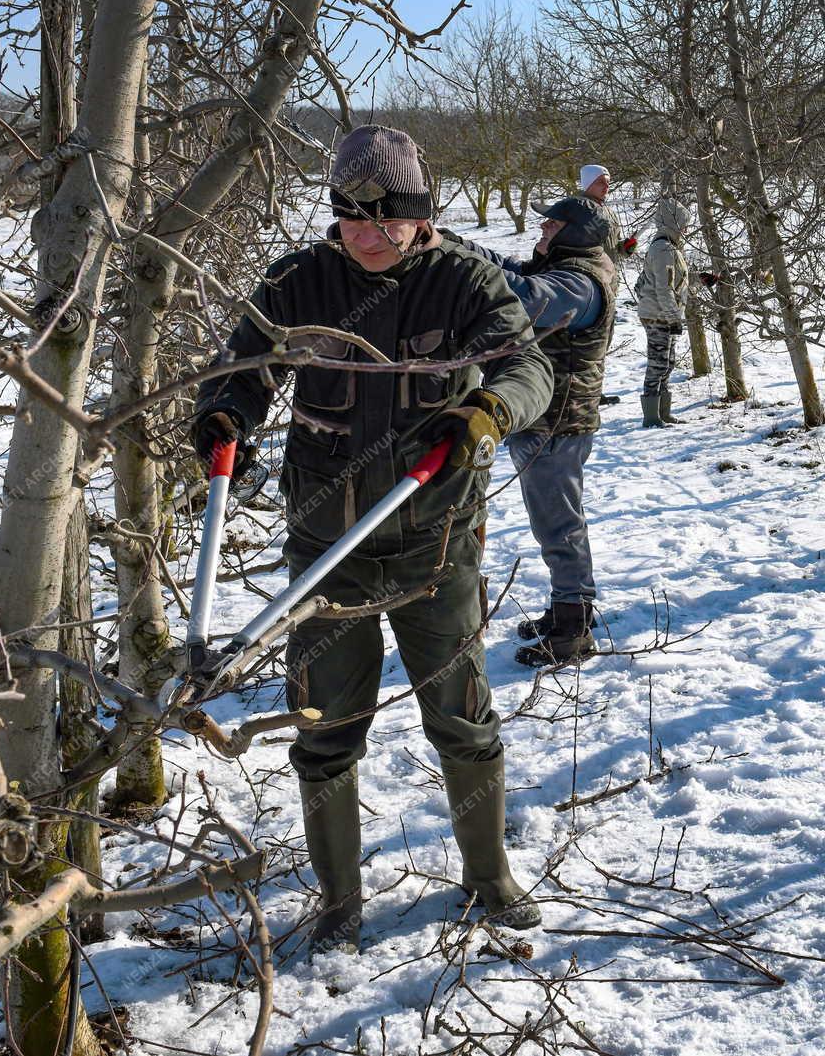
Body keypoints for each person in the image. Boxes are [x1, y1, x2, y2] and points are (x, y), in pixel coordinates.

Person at [192, 125, 554, 956]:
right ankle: (339, 900)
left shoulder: (465, 280)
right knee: (324, 730)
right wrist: (226, 414)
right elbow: (242, 369)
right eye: (351, 216)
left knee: (463, 720)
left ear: (420, 214)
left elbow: (529, 368)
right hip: (328, 550)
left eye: (386, 218)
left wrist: (488, 411)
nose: (366, 233)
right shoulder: (300, 280)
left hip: (436, 545)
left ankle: (489, 874)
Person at [444, 196, 619, 667]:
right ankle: (567, 609)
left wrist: (457, 263)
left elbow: (523, 295)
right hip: (546, 418)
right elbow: (510, 269)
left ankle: (573, 628)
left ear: (576, 232)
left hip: (558, 421)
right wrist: (454, 245)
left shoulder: (580, 283)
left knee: (558, 524)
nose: (542, 227)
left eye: (553, 222)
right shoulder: (566, 267)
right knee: (555, 521)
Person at [635, 197, 691, 427]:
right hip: (658, 315)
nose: (687, 229)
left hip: (664, 313)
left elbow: (674, 282)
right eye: (684, 223)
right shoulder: (663, 249)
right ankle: (651, 417)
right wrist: (673, 317)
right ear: (673, 223)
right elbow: (663, 288)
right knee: (658, 363)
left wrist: (699, 280)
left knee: (668, 362)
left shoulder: (671, 247)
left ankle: (663, 412)